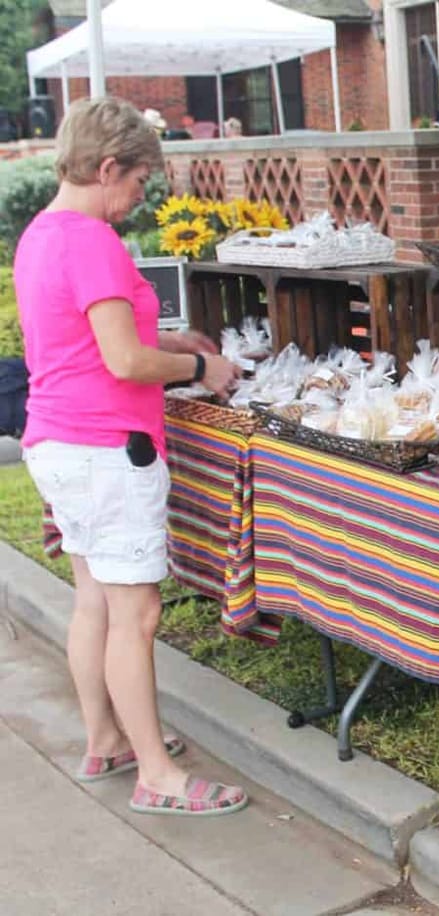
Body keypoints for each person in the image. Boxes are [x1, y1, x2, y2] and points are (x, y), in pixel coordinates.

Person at [14, 97, 247, 817]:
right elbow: (122, 360)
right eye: (139, 184)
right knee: (137, 614)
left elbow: (84, 337)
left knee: (94, 602)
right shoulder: (91, 240)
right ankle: (158, 777)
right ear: (107, 167)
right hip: (107, 448)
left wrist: (170, 343)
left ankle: (104, 738)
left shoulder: (41, 234)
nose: (137, 201)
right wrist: (199, 372)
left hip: (56, 441)